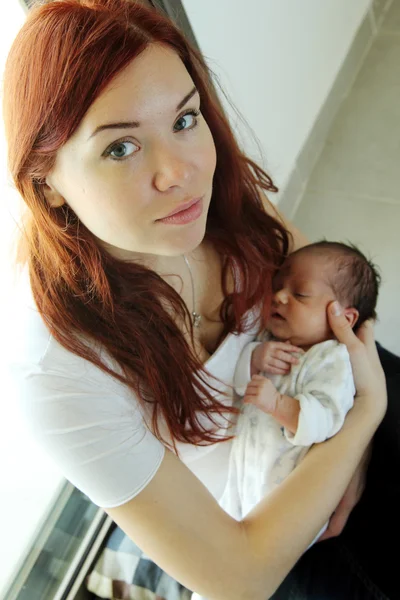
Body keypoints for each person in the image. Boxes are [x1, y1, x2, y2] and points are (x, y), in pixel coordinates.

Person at [2, 1, 390, 598]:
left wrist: (352, 431)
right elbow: (240, 577)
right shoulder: (58, 370)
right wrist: (362, 420)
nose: (180, 172)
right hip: (268, 519)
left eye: (184, 120)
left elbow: (339, 299)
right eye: (120, 148)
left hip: (334, 385)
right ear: (46, 184)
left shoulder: (220, 193)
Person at [219, 241, 380, 537]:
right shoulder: (269, 338)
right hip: (245, 478)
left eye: (300, 294)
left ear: (344, 318)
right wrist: (254, 358)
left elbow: (324, 420)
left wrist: (279, 405)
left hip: (291, 500)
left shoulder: (332, 359)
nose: (279, 296)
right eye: (278, 285)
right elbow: (239, 385)